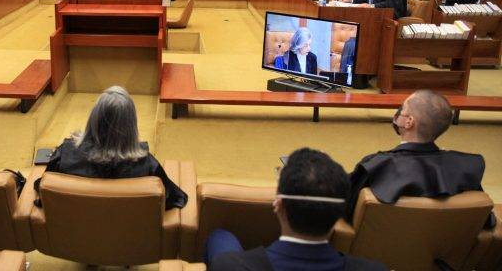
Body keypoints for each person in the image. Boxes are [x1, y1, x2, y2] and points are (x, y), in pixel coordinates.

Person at [206, 148, 386, 271]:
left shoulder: (228, 265)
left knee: (220, 237)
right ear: (340, 212)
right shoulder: (375, 269)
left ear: (278, 205)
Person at [346, 90, 494, 228]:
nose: (398, 112)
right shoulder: (466, 167)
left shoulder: (376, 165)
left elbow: (345, 209)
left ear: (409, 122)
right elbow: (486, 221)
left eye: (402, 109)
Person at [35, 86, 187, 210]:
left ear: (94, 119)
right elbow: (175, 199)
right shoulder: (148, 165)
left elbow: (44, 190)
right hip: (131, 236)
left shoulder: (64, 154)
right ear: (131, 126)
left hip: (74, 235)